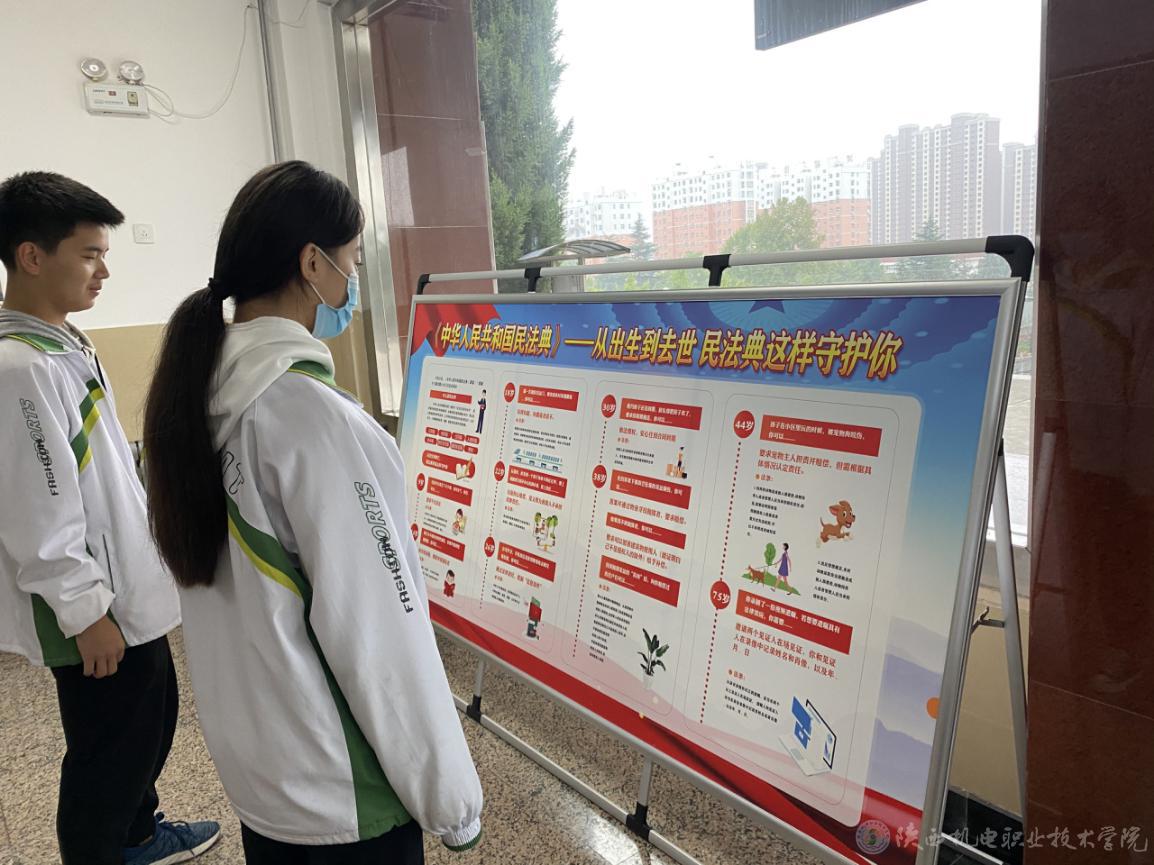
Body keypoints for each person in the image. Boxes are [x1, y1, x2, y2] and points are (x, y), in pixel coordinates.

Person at [141, 161, 483, 864]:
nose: (353, 282)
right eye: (352, 261)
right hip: (343, 793)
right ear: (312, 264)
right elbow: (381, 634)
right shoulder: (313, 421)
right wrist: (453, 801)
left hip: (266, 779)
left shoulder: (195, 400)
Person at [0, 171, 221, 865]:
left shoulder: (63, 342)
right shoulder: (19, 369)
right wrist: (84, 611)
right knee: (107, 756)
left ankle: (139, 836)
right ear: (32, 256)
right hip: (92, 608)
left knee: (148, 727)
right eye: (90, 254)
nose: (103, 270)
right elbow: (37, 512)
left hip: (122, 589)